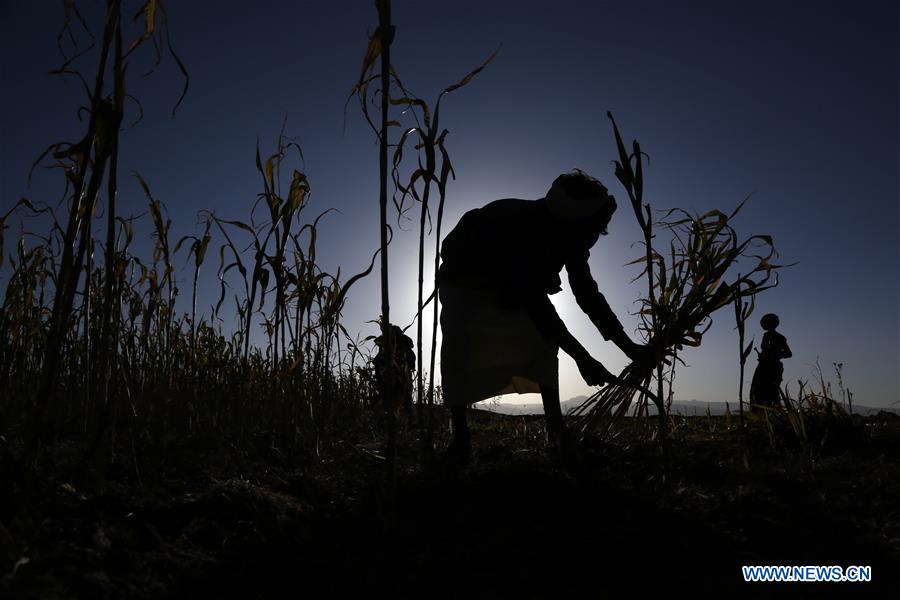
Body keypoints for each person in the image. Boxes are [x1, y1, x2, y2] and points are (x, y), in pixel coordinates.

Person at [438, 169, 653, 467]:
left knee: (543, 347)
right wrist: (582, 357)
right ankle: (460, 439)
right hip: (465, 281)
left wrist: (629, 347)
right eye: (594, 228)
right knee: (461, 348)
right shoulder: (524, 225)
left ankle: (557, 434)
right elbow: (535, 304)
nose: (595, 237)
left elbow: (587, 293)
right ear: (575, 221)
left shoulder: (573, 236)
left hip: (513, 286)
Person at [749, 313, 792, 411]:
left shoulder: (780, 337)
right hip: (763, 366)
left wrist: (775, 356)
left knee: (771, 390)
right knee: (757, 389)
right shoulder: (765, 336)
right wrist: (763, 356)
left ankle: (772, 411)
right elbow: (765, 350)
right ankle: (759, 412)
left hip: (773, 367)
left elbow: (788, 353)